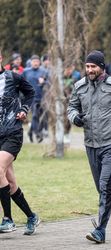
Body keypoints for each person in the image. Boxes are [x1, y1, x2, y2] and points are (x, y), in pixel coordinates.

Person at [67, 50, 111, 244]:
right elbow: (71, 107)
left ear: (102, 67)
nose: (89, 70)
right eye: (87, 66)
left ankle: (100, 229)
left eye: (93, 66)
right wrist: (75, 117)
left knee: (105, 186)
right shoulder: (79, 86)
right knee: (103, 188)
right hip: (91, 143)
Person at [0, 50, 40, 235]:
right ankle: (31, 216)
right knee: (9, 181)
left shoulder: (13, 77)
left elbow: (30, 92)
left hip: (12, 133)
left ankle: (8, 219)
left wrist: (24, 109)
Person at [22, 55, 48, 143]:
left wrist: (44, 82)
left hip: (43, 97)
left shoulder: (44, 71)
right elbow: (21, 82)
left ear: (39, 63)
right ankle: (38, 134)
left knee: (42, 117)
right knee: (34, 115)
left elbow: (51, 83)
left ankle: (30, 132)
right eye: (34, 62)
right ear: (31, 62)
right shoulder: (26, 71)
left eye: (37, 62)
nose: (36, 63)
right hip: (31, 97)